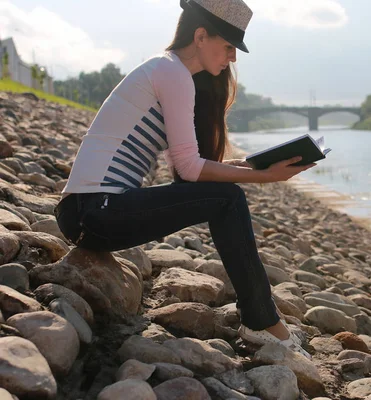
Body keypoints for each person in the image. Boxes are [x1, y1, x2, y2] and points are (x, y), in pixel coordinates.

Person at [54, 0, 314, 358]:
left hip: (88, 211)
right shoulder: (171, 73)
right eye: (228, 47)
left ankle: (261, 317)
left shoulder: (168, 71)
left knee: (227, 196)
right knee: (230, 198)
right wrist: (266, 177)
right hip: (93, 211)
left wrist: (253, 166)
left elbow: (189, 164)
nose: (233, 59)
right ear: (201, 36)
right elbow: (191, 169)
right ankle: (261, 321)